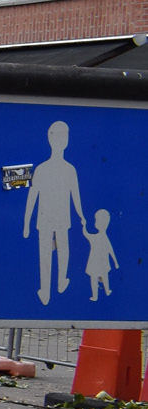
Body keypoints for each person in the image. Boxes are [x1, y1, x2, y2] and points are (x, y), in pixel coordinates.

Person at [22, 120, 85, 306]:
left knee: (63, 250)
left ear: (67, 140)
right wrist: (26, 223)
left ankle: (60, 282)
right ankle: (46, 289)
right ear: (50, 138)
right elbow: (32, 197)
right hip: (45, 219)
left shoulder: (68, 169)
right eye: (57, 135)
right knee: (46, 254)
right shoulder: (42, 169)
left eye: (64, 135)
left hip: (61, 219)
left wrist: (81, 215)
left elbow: (76, 196)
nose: (61, 139)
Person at [83, 208, 119, 302]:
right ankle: (105, 292)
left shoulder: (99, 237)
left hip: (96, 262)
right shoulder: (101, 237)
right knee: (103, 276)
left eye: (96, 220)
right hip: (100, 262)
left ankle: (100, 294)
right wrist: (115, 262)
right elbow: (111, 250)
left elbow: (86, 234)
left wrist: (84, 225)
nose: (95, 222)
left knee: (95, 278)